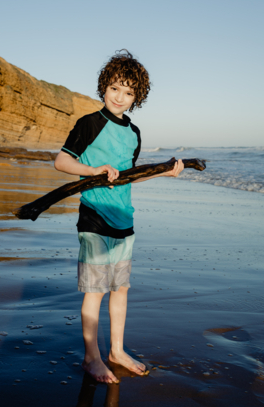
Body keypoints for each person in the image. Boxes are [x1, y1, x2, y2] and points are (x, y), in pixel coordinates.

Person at [54, 50, 184, 384]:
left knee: (120, 289)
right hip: (94, 218)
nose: (120, 97)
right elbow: (62, 162)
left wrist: (165, 173)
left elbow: (130, 176)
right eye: (115, 88)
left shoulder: (134, 133)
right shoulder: (89, 124)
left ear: (137, 97)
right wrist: (92, 170)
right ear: (104, 86)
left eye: (129, 92)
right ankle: (91, 358)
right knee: (95, 291)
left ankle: (117, 351)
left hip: (124, 221)